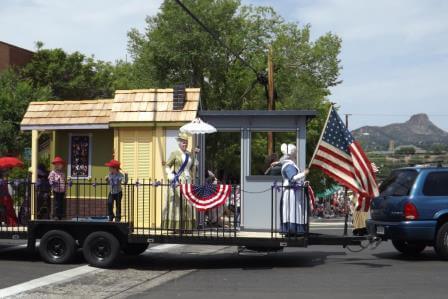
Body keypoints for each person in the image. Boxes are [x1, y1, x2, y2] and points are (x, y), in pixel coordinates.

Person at [163, 132, 199, 231]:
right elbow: (167, 165)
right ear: (179, 143)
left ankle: (187, 227)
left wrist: (195, 158)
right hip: (178, 181)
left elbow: (193, 169)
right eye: (183, 142)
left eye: (186, 142)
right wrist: (170, 175)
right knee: (178, 204)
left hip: (188, 181)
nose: (185, 144)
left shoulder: (189, 154)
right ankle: (176, 227)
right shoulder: (174, 153)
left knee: (187, 203)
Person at [279, 143, 309, 236]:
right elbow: (292, 178)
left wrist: (303, 182)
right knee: (293, 210)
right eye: (295, 153)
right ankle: (292, 230)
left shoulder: (289, 164)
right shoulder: (289, 165)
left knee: (294, 210)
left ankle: (293, 229)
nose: (296, 155)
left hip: (294, 191)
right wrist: (304, 173)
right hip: (292, 192)